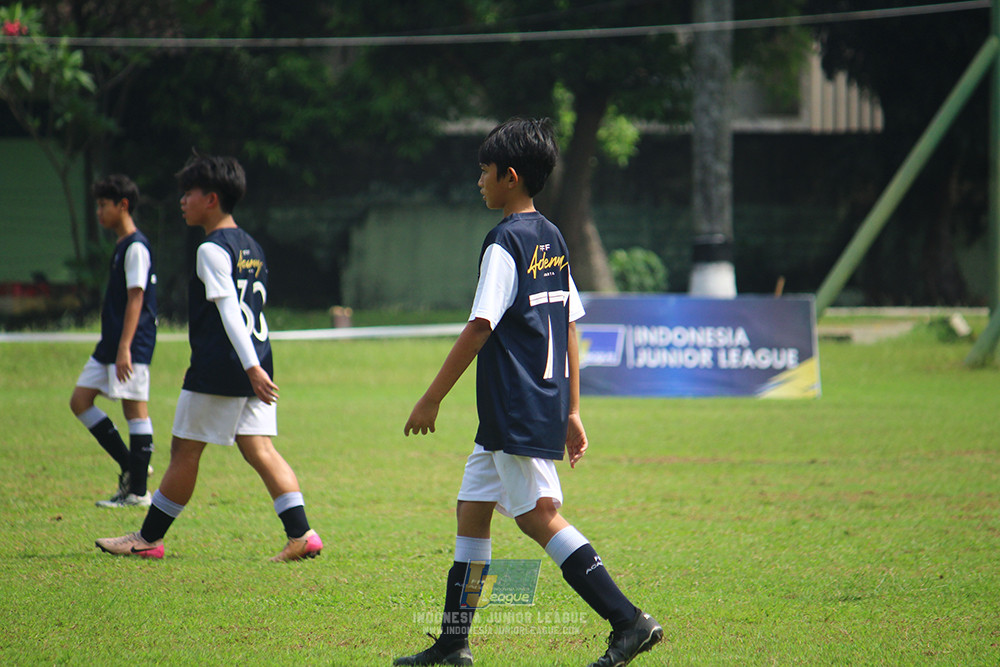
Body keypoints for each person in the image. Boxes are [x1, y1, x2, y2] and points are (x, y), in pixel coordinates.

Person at [395, 118, 662, 667]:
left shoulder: (504, 242)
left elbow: (479, 326)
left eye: (485, 173)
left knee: (538, 517)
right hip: (523, 407)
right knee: (472, 513)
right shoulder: (553, 237)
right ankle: (453, 642)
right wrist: (574, 410)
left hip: (515, 406)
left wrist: (431, 398)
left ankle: (629, 621)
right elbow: (568, 324)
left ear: (510, 177)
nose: (480, 183)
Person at [95, 153, 321, 562]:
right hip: (257, 362)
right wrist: (256, 366)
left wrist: (248, 367)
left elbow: (230, 311)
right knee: (259, 448)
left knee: (185, 451)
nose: (182, 201)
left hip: (223, 366)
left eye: (189, 193)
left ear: (211, 198)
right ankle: (301, 533)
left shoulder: (210, 249)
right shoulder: (252, 246)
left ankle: (146, 539)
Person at [70, 174, 157, 508]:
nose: (98, 212)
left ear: (123, 206)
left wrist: (125, 347)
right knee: (80, 401)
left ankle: (137, 492)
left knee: (135, 410)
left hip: (129, 343)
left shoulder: (136, 246)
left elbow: (137, 298)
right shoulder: (122, 245)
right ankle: (132, 466)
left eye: (103, 205)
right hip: (112, 342)